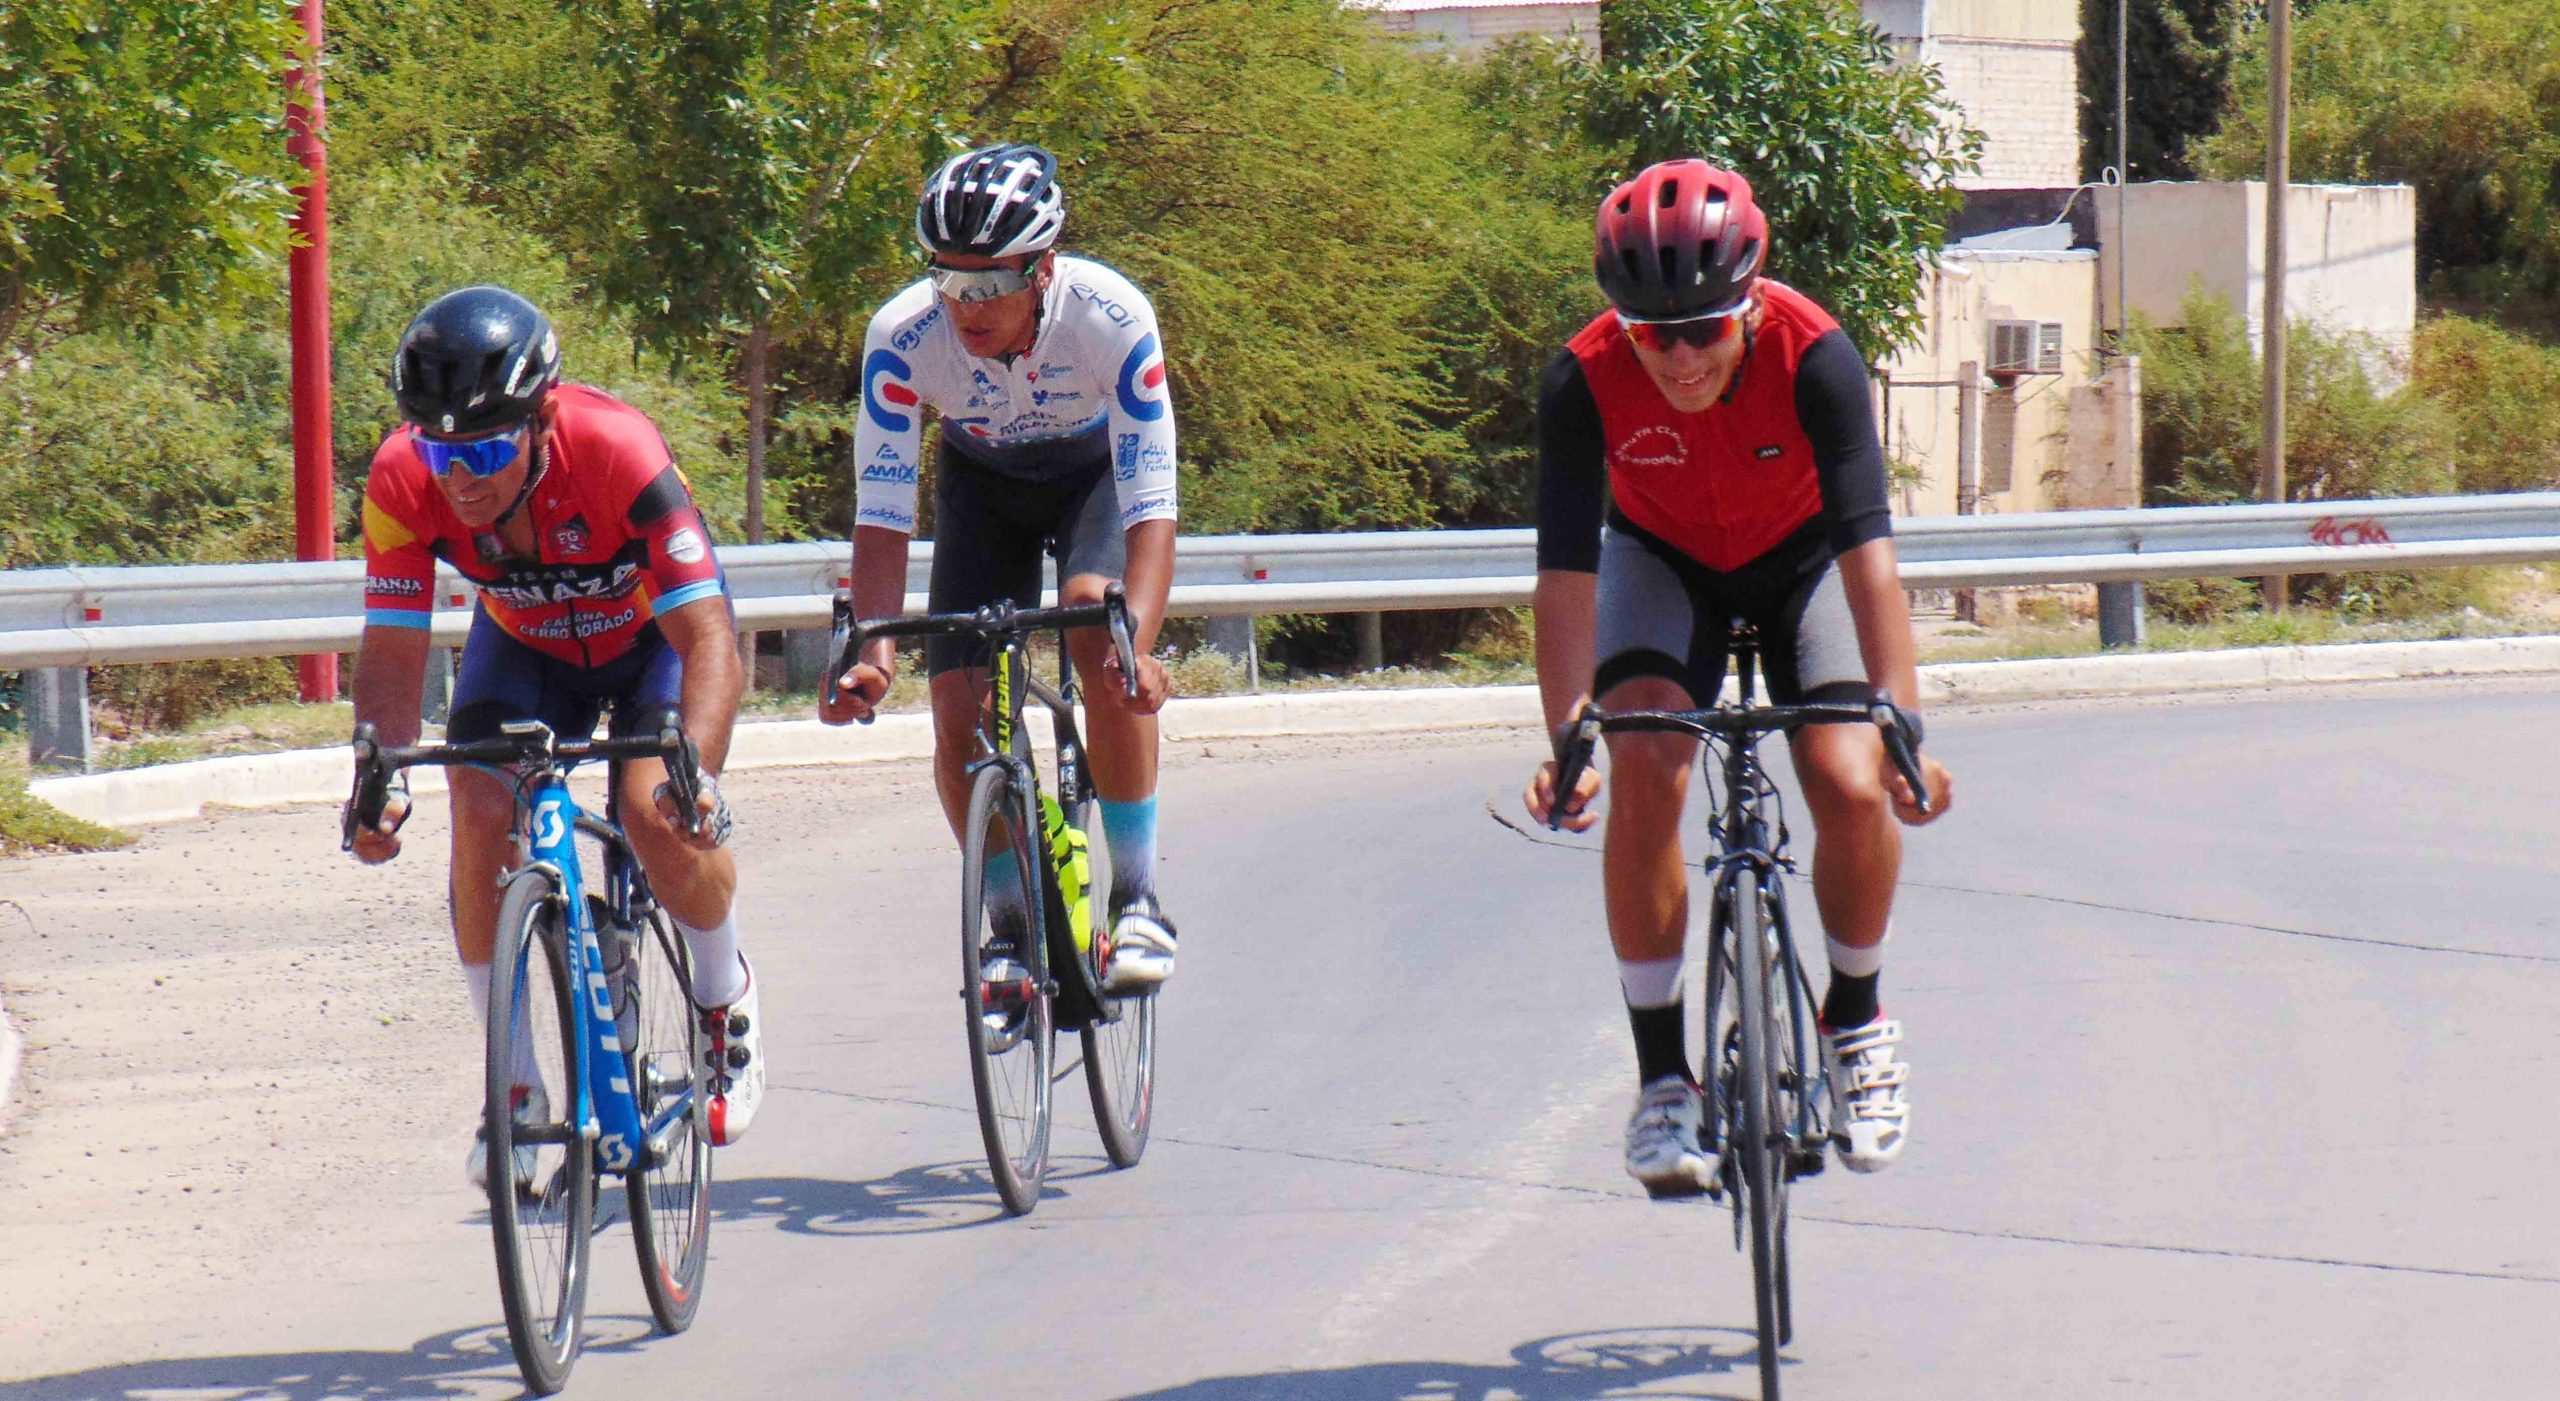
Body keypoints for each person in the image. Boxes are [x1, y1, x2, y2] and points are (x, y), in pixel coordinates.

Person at [1521, 160, 1955, 1196]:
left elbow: (1870, 560)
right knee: (1648, 766)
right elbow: (1565, 579)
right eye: (1650, 335)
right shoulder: (1581, 382)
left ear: (1749, 304)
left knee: (1848, 782)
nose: (1675, 358)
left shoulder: (1817, 358)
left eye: (1701, 331)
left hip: (1805, 561)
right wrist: (1567, 741)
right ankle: (1663, 1080)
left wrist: (1904, 725)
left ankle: (1853, 1016)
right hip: (1662, 564)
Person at [344, 285, 767, 1183]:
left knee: (654, 810)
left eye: (489, 449)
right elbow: (391, 650)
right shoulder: (399, 480)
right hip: (528, 643)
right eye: (442, 451)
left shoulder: (617, 449)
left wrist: (699, 776)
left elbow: (709, 639)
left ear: (540, 422)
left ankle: (723, 997)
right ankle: (515, 1087)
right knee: (475, 797)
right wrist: (376, 772)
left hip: (653, 641)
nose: (463, 478)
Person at [821, 142, 1180, 989]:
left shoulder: (1113, 318)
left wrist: (1140, 647)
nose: (964, 306)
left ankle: (1138, 899)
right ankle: (1013, 932)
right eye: (946, 281)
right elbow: (882, 510)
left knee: (1097, 620)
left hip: (1090, 478)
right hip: (981, 487)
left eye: (987, 286)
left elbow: (1151, 501)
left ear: (1043, 268)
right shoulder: (901, 337)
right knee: (959, 712)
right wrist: (873, 650)